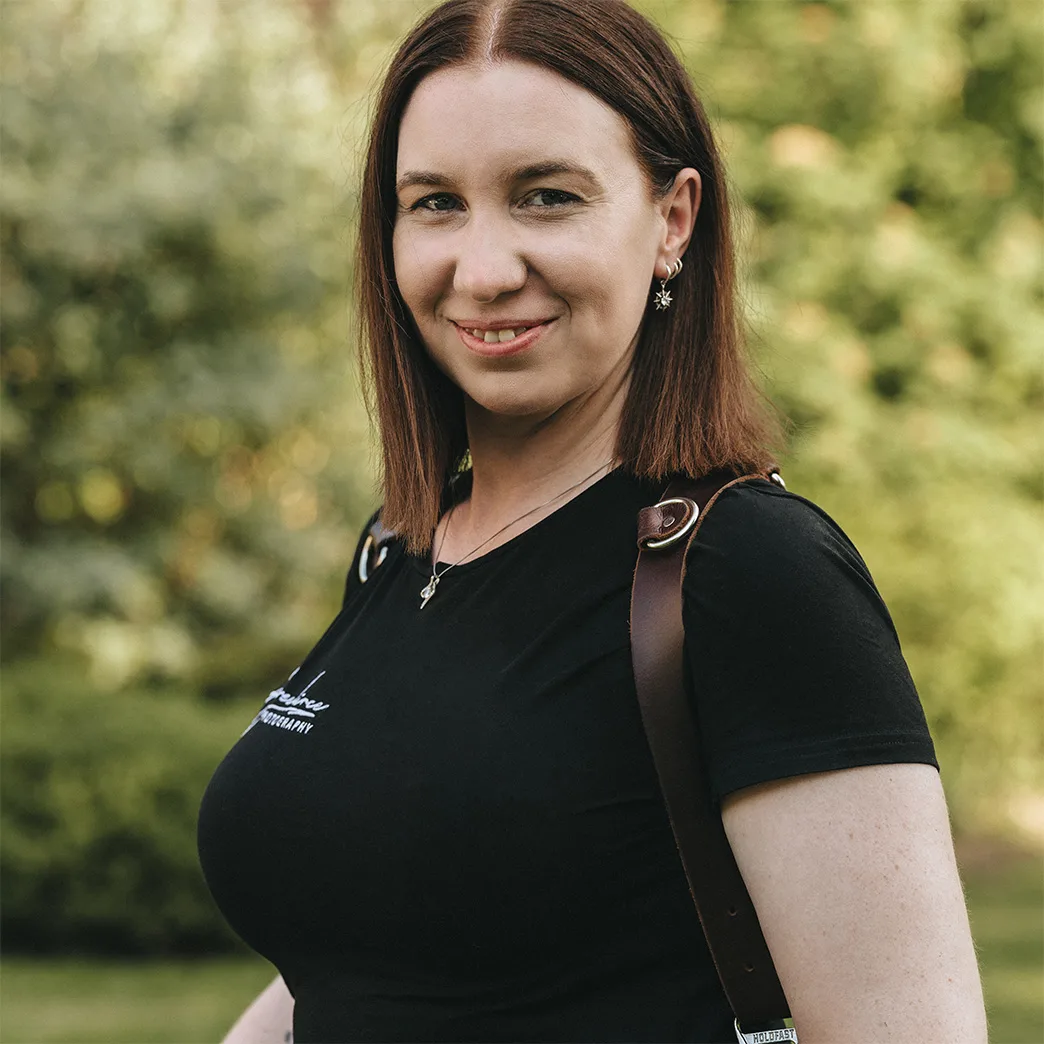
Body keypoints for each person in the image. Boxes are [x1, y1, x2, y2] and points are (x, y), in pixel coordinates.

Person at [196, 1, 987, 1041]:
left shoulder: (751, 573)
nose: (481, 269)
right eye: (435, 203)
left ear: (673, 219)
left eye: (546, 197)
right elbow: (359, 959)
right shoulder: (399, 547)